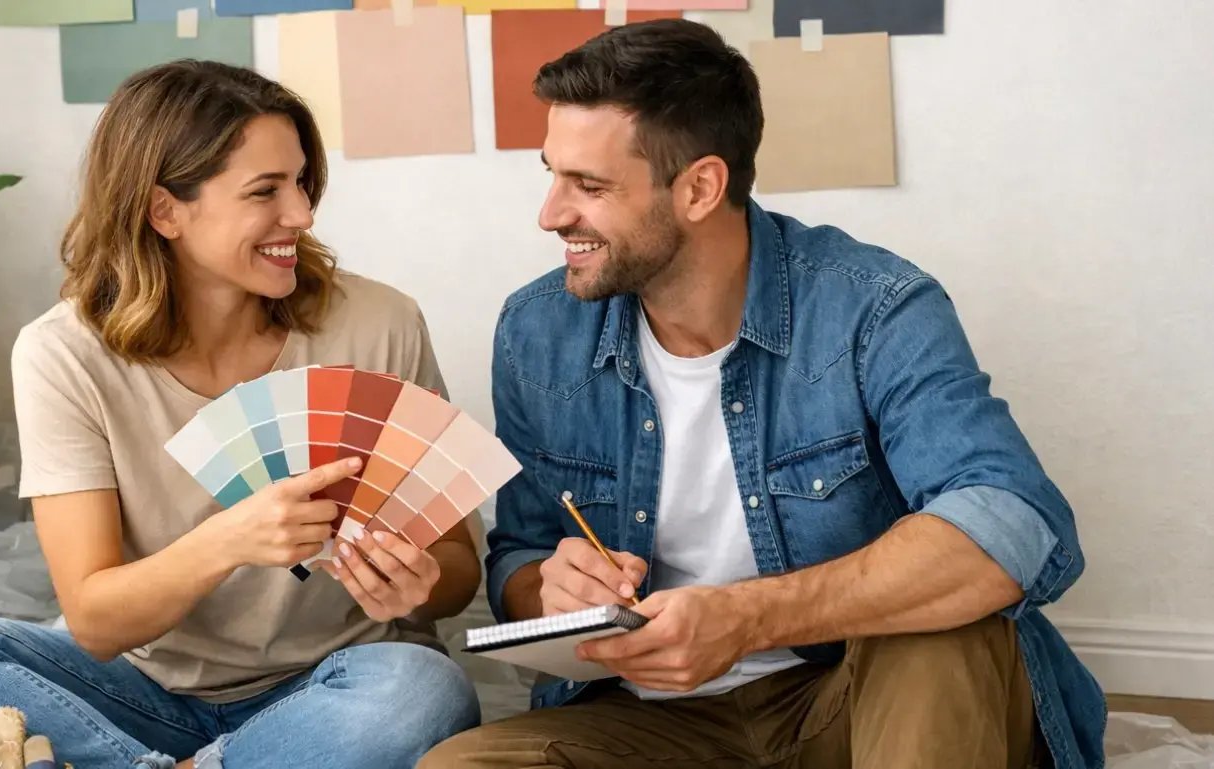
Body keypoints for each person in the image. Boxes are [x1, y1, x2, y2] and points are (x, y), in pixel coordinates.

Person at [422, 18, 1104, 769]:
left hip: (848, 695)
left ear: (701, 187)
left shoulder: (872, 307)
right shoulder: (538, 328)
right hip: (652, 723)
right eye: (551, 174)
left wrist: (746, 617)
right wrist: (548, 591)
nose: (550, 213)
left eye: (588, 185)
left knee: (950, 626)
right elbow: (518, 552)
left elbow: (1012, 520)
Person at [0, 60, 481, 769]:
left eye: (302, 182)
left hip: (338, 680)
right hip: (147, 690)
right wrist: (230, 539)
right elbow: (94, 621)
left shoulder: (379, 324)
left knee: (423, 692)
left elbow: (459, 570)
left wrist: (420, 584)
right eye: (265, 191)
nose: (300, 214)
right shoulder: (64, 354)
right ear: (164, 210)